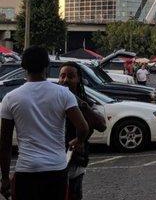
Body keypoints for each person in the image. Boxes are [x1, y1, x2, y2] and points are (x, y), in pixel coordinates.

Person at [0, 46, 89, 200]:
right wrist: (78, 140)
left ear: (23, 67)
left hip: (26, 171)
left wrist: (5, 178)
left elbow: (5, 142)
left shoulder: (11, 98)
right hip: (56, 170)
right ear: (47, 66)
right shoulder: (63, 94)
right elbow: (83, 127)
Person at [59, 62, 106, 200]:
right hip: (53, 162)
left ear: (79, 79)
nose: (65, 80)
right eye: (62, 76)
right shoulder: (53, 99)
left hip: (75, 164)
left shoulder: (85, 102)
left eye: (70, 76)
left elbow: (102, 124)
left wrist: (78, 102)